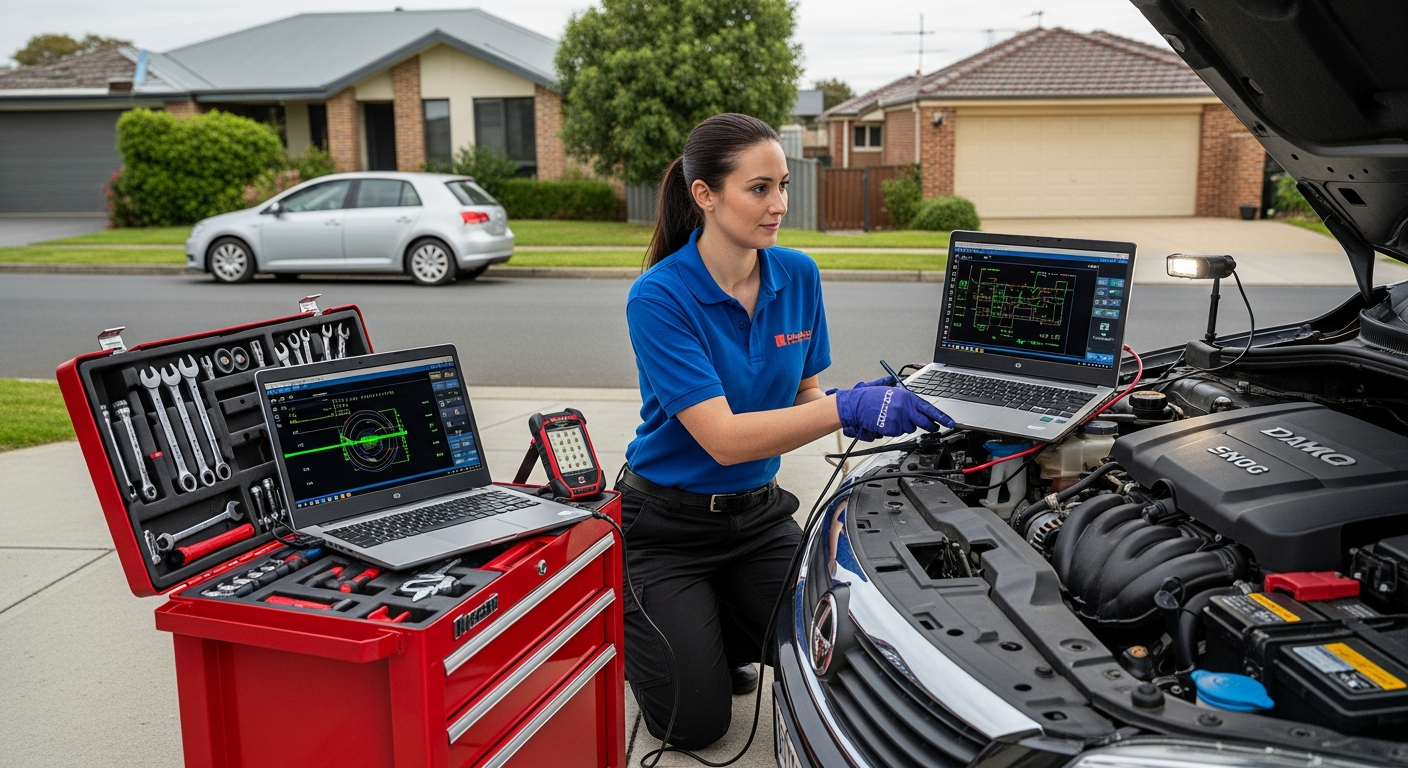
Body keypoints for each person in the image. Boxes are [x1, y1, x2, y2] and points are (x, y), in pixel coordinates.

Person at [618, 113, 954, 749]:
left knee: (847, 656)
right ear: (704, 195)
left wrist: (877, 416)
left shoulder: (797, 274)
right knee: (698, 725)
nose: (779, 205)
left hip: (757, 520)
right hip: (665, 530)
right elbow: (723, 439)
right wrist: (849, 408)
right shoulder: (658, 297)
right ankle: (673, 625)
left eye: (782, 186)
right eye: (759, 188)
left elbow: (804, 395)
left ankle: (713, 622)